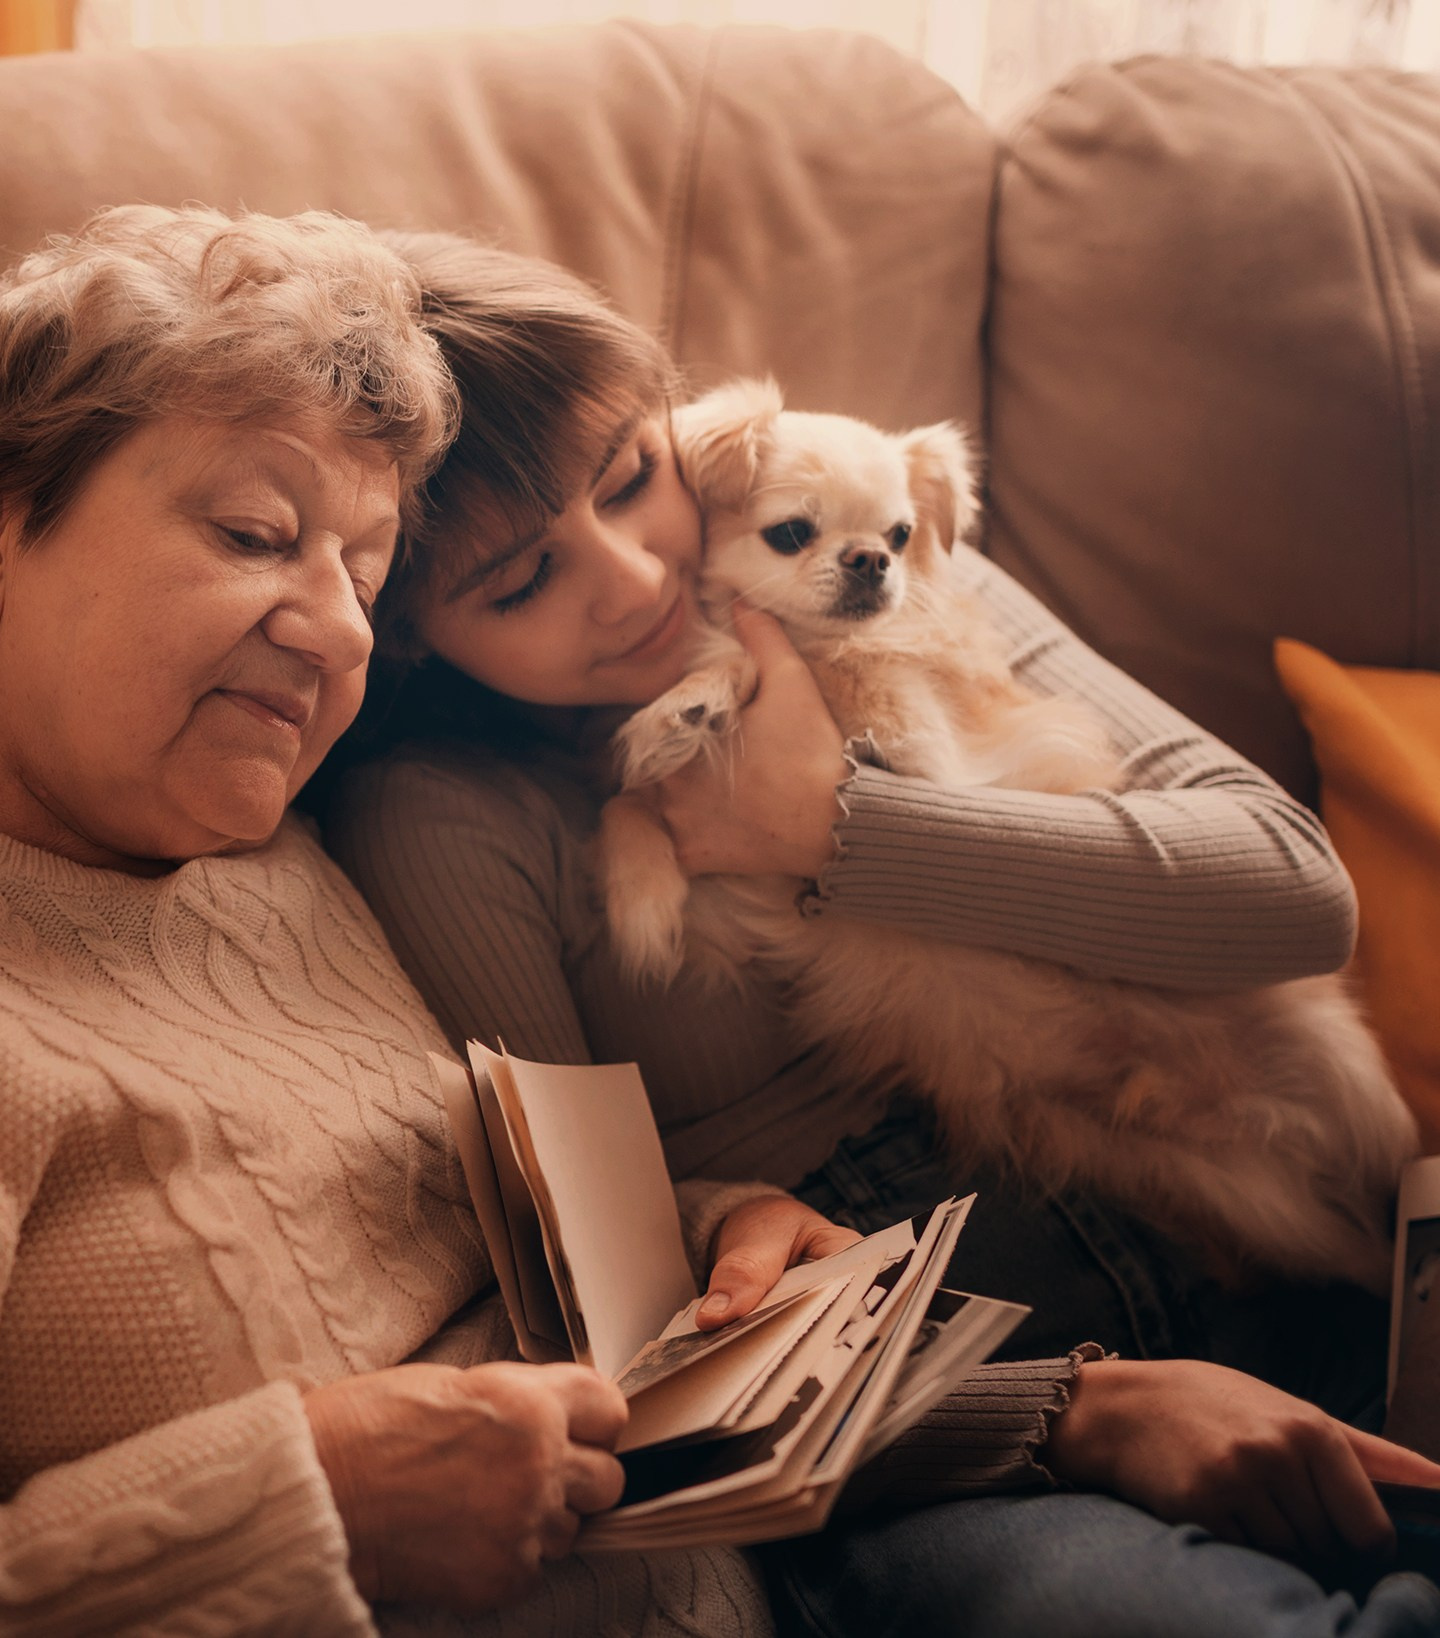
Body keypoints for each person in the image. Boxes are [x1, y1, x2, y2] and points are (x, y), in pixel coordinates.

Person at [0, 203, 1131, 1638]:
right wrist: (288, 1505)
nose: (332, 630)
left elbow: (521, 1336)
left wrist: (1043, 1405)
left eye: (368, 564)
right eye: (258, 534)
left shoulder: (254, 837)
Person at [317, 229, 1440, 1634]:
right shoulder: (452, 820)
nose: (636, 579)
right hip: (951, 1426)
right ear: (416, 633)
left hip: (1295, 1240)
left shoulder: (880, 554)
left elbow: (1290, 887)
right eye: (520, 582)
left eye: (631, 479)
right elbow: (609, 1325)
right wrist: (1072, 1411)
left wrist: (835, 830)